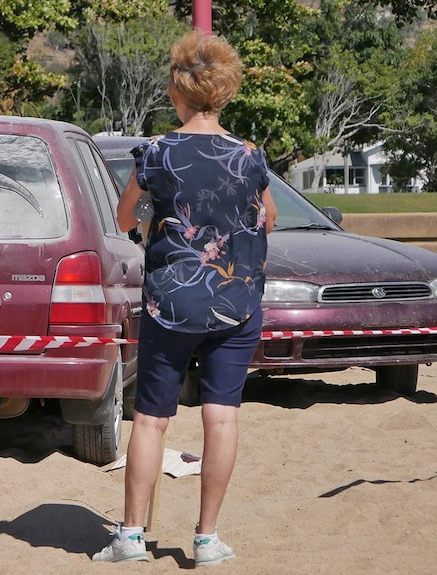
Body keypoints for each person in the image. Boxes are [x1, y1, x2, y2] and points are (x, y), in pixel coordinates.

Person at [92, 29, 277, 565]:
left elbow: (125, 217)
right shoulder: (249, 156)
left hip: (171, 301)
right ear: (222, 92)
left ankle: (130, 536)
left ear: (179, 90)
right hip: (236, 300)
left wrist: (156, 218)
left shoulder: (156, 152)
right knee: (222, 417)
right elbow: (269, 216)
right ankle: (206, 539)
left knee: (151, 420)